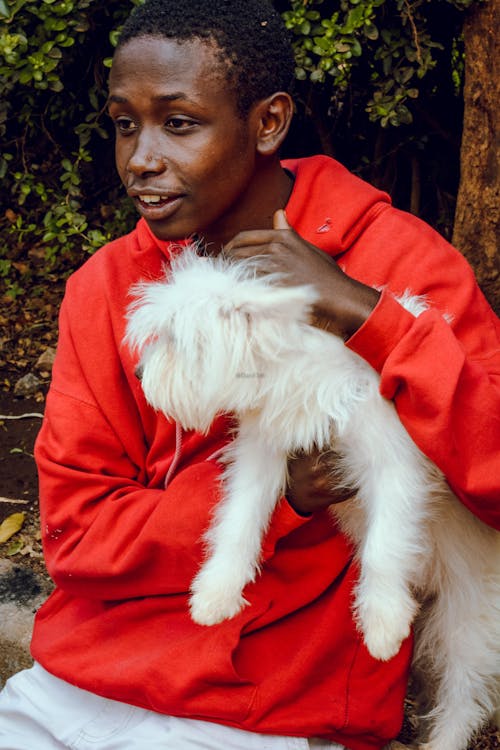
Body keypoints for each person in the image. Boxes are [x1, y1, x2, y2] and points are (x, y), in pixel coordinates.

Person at [0, 1, 498, 748]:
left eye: (179, 123)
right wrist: (280, 498)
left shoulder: (398, 262)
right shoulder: (108, 288)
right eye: (124, 124)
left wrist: (368, 315)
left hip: (270, 706)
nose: (140, 158)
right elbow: (77, 535)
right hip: (79, 679)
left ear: (267, 123)